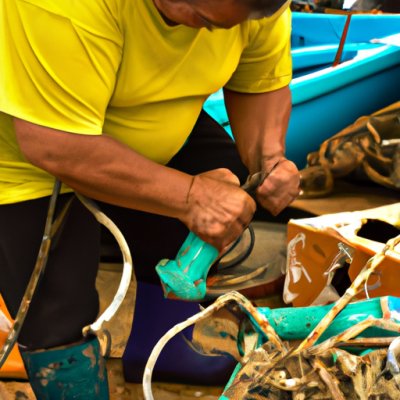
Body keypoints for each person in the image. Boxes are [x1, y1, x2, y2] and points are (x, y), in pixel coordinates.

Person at [0, 0, 301, 397]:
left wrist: (268, 159)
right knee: (57, 309)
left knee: (222, 180)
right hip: (32, 145)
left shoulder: (254, 5)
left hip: (138, 115)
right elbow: (52, 144)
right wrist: (189, 196)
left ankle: (164, 345)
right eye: (204, 20)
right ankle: (71, 380)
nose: (206, 36)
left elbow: (257, 80)